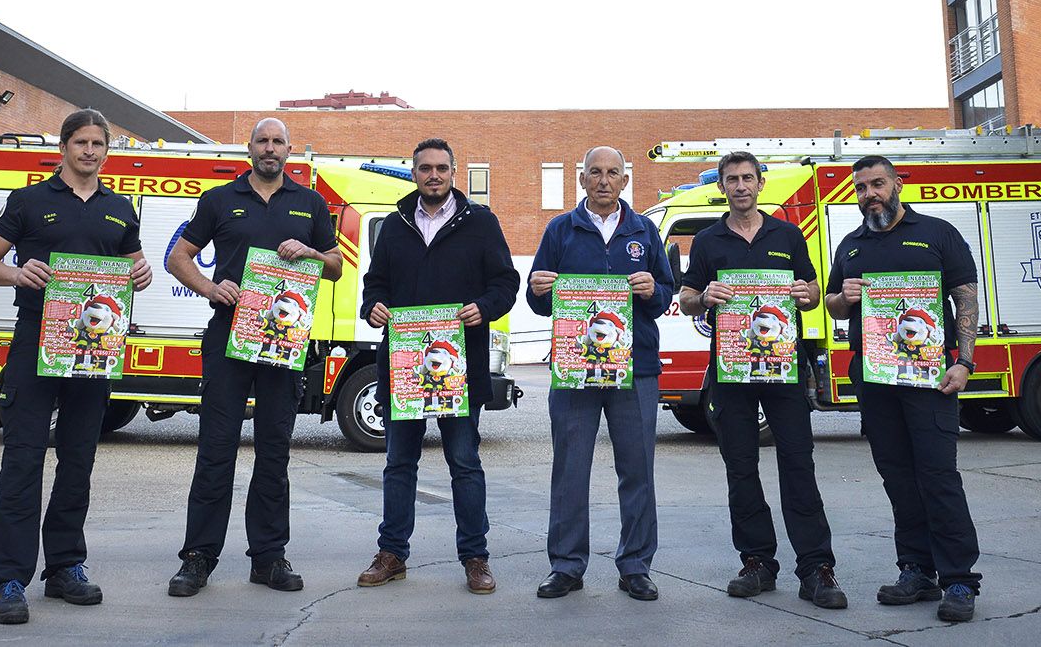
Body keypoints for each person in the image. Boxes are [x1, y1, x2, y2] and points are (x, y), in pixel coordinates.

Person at [0, 108, 153, 626]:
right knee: (23, 460)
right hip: (37, 344)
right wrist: (15, 272)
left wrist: (139, 275)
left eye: (98, 143)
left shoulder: (120, 210)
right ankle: (6, 579)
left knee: (78, 460)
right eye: (81, 142)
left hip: (95, 350)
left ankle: (66, 567)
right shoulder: (28, 201)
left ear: (105, 150)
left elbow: (133, 267)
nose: (90, 151)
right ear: (64, 146)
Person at [165, 117, 342, 598]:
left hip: (284, 341)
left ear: (289, 150)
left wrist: (309, 250)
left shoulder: (310, 203)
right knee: (216, 450)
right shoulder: (220, 199)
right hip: (228, 338)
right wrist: (209, 285)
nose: (270, 148)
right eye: (262, 141)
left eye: (277, 141)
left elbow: (335, 268)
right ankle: (198, 558)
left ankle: (267, 557)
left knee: (274, 451)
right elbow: (178, 256)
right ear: (249, 149)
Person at [678, 151, 845, 608]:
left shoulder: (787, 235)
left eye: (747, 178)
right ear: (723, 187)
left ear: (760, 183)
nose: (740, 186)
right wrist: (703, 296)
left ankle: (816, 568)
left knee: (798, 463)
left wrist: (805, 293)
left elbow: (813, 293)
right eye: (731, 179)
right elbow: (688, 296)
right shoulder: (709, 240)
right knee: (740, 467)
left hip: (784, 370)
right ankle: (757, 562)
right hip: (731, 371)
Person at [355, 138, 519, 596]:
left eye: (441, 168)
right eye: (425, 168)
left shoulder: (481, 223)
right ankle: (392, 554)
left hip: (460, 366)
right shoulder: (394, 224)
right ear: (414, 173)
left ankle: (475, 557)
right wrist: (375, 307)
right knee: (398, 463)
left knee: (464, 463)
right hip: (404, 363)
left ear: (453, 172)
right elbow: (375, 285)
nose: (433, 175)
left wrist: (483, 308)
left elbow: (506, 281)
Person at [823, 154, 983, 623]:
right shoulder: (851, 246)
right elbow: (832, 305)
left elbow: (965, 297)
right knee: (897, 477)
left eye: (877, 183)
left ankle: (959, 579)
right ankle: (916, 569)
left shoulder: (937, 233)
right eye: (861, 187)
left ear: (896, 184)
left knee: (938, 476)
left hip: (931, 381)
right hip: (876, 381)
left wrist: (965, 362)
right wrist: (842, 299)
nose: (869, 193)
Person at [525, 145, 674, 602]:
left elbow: (667, 293)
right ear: (582, 179)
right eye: (596, 172)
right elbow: (538, 298)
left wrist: (653, 289)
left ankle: (635, 566)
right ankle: (567, 566)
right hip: (575, 371)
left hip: (636, 370)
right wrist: (536, 290)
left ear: (625, 180)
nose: (604, 180)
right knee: (570, 468)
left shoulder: (645, 231)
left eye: (613, 173)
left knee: (637, 470)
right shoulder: (560, 229)